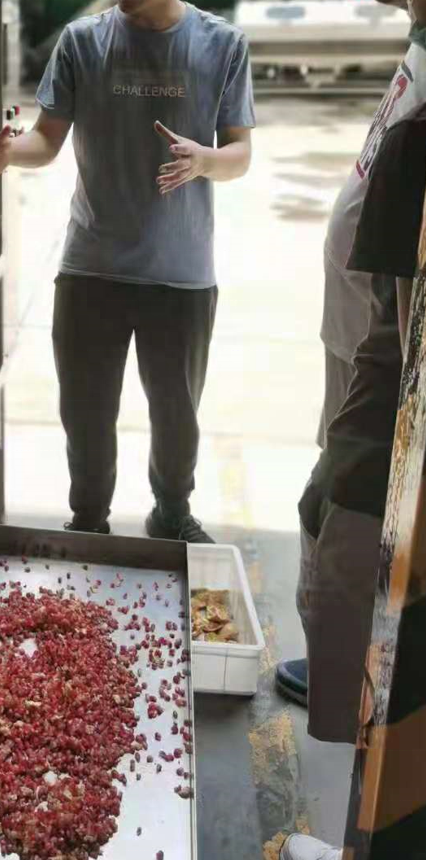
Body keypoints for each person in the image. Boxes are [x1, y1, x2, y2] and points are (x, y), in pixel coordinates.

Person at [0, 0, 255, 543]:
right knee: (86, 413)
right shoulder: (82, 42)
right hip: (92, 267)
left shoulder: (222, 44)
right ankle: (88, 521)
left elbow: (240, 152)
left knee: (176, 414)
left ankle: (170, 511)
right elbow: (47, 140)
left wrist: (204, 160)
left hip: (181, 270)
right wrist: (7, 154)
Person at [280, 103, 426, 860]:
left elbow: (408, 356)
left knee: (388, 682)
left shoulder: (417, 137)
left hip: (386, 466)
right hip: (375, 443)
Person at [275, 0, 426, 707]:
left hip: (388, 348)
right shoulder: (418, 39)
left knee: (356, 506)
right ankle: (347, 663)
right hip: (359, 335)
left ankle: (362, 678)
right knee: (344, 498)